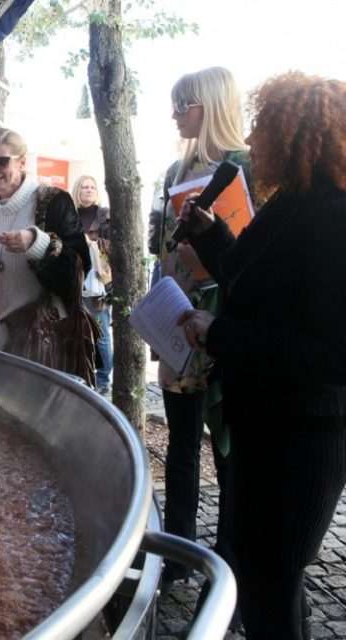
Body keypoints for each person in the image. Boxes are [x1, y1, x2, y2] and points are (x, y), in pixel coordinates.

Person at [178, 71, 346, 640]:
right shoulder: (291, 203)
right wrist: (209, 235)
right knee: (264, 579)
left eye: (263, 127)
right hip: (262, 427)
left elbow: (332, 354)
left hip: (303, 440)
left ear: (298, 136)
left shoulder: (334, 218)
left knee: (271, 582)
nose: (251, 140)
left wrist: (220, 334)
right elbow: (248, 280)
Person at [154, 67, 249, 591]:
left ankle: (228, 564)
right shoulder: (175, 170)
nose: (174, 114)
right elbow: (164, 247)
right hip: (178, 318)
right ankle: (177, 554)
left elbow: (257, 257)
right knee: (181, 444)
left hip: (227, 325)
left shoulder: (246, 169)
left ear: (208, 106)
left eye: (182, 104)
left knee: (229, 451)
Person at [0, 128, 95, 384]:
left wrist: (38, 243)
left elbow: (79, 269)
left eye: (1, 161)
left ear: (21, 162)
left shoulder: (53, 202)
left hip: (40, 344)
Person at [71, 175, 112, 392]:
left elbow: (114, 246)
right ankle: (82, 375)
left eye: (92, 187)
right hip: (75, 280)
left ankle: (103, 379)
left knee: (101, 334)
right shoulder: (70, 215)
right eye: (84, 187)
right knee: (77, 332)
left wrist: (92, 244)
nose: (88, 190)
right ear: (77, 190)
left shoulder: (105, 215)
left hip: (98, 282)